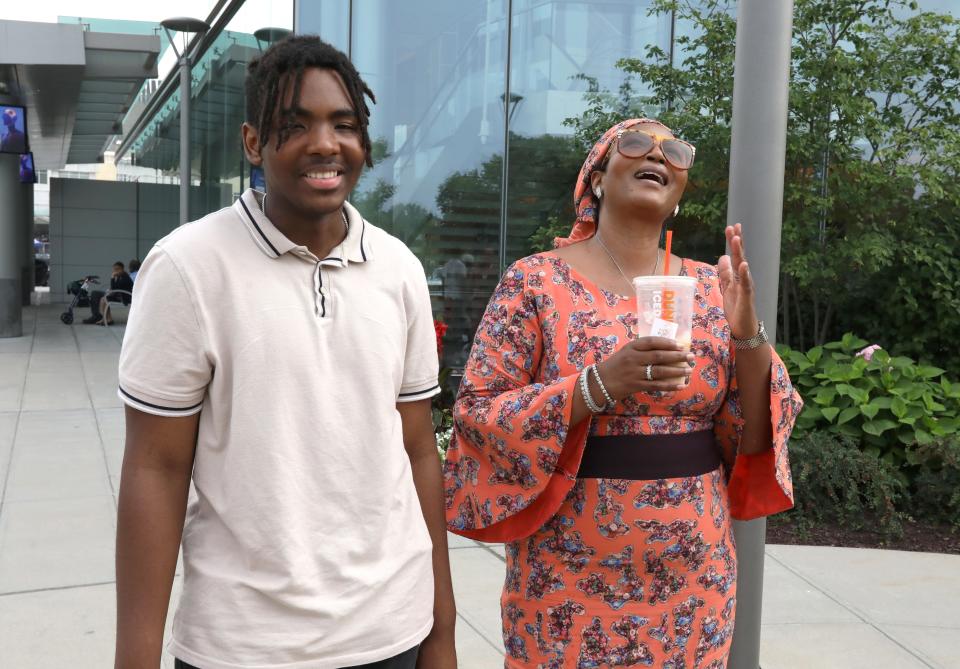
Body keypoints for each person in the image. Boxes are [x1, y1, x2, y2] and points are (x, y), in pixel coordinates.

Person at [114, 36, 457, 669]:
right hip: (245, 645)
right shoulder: (187, 267)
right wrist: (135, 656)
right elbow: (155, 471)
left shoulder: (399, 268)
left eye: (344, 125)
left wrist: (442, 626)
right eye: (293, 126)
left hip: (392, 629)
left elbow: (417, 451)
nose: (325, 144)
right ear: (252, 143)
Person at [443, 118, 802, 667]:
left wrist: (747, 334)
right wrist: (596, 385)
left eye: (675, 152)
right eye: (635, 144)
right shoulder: (535, 281)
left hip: (694, 576)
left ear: (679, 193)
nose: (658, 155)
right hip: (566, 571)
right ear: (598, 180)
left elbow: (754, 433)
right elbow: (477, 411)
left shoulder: (711, 286)